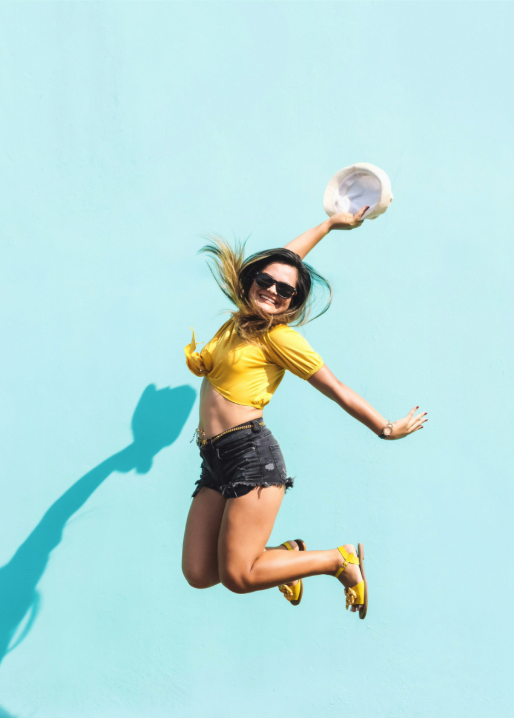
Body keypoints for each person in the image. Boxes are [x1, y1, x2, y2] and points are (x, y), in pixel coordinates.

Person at [181, 206, 427, 619]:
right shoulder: (239, 320)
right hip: (214, 460)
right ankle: (286, 557)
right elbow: (283, 261)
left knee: (239, 577)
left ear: (293, 302)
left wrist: (386, 428)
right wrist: (329, 224)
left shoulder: (281, 338)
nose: (275, 291)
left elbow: (337, 389)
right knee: (200, 572)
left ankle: (339, 560)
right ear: (250, 282)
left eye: (286, 291)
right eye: (266, 282)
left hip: (249, 457)